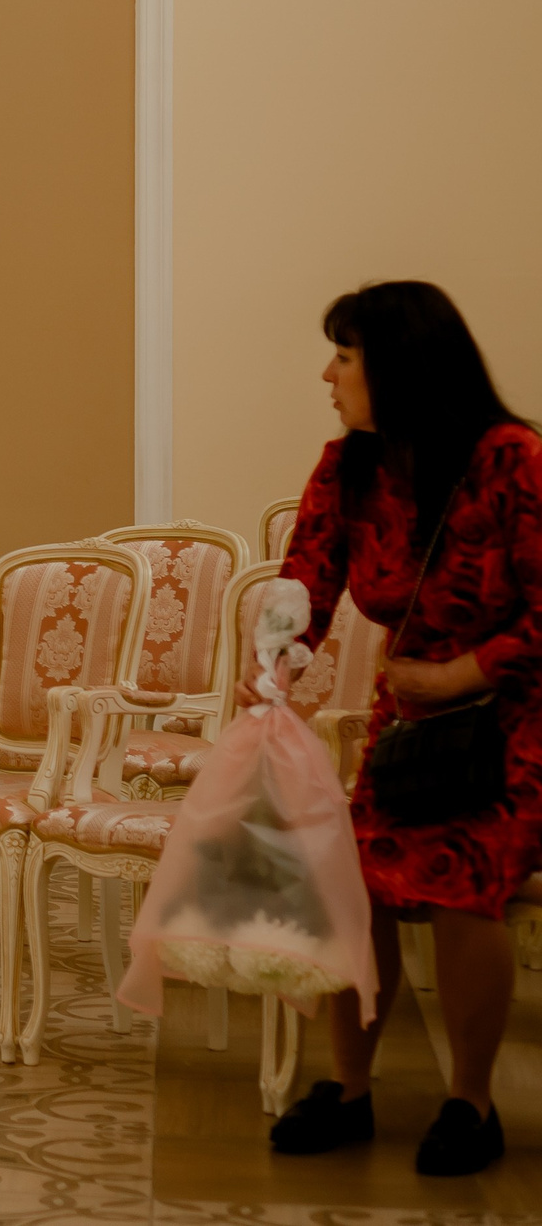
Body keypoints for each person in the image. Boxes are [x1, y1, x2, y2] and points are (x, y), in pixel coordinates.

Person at [261, 281, 541, 1177]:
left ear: (401, 367)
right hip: (412, 723)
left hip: (516, 718)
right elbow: (306, 581)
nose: (327, 375)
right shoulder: (348, 467)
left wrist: (464, 671)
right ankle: (350, 1089)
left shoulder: (511, 460)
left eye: (344, 356)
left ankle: (472, 1103)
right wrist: (275, 666)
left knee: (460, 878)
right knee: (355, 879)